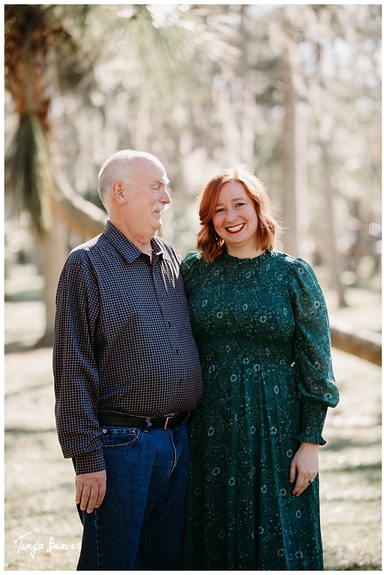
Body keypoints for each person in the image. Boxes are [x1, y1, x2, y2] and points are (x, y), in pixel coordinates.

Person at [181, 167, 339, 569]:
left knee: (278, 537)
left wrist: (310, 442)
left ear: (257, 207)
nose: (230, 217)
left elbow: (315, 362)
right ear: (209, 219)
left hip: (277, 424)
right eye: (219, 209)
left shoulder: (292, 274)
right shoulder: (194, 272)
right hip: (207, 425)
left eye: (239, 204)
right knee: (210, 533)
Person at [53, 150, 203, 569]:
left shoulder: (170, 257)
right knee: (112, 564)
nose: (167, 198)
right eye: (156, 186)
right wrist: (87, 459)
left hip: (178, 443)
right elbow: (72, 370)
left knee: (167, 563)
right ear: (120, 191)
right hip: (121, 448)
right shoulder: (86, 264)